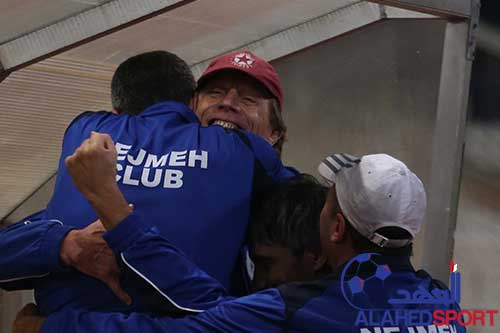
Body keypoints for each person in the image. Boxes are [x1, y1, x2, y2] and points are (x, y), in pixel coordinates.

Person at [14, 141, 465, 333]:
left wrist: (54, 326)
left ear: (335, 229)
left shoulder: (308, 308)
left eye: (329, 202)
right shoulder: (445, 309)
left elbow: (195, 316)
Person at [0, 50, 296, 316]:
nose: (227, 105)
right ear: (189, 107)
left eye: (248, 100)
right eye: (215, 93)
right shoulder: (89, 211)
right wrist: (65, 244)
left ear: (274, 136)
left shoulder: (294, 223)